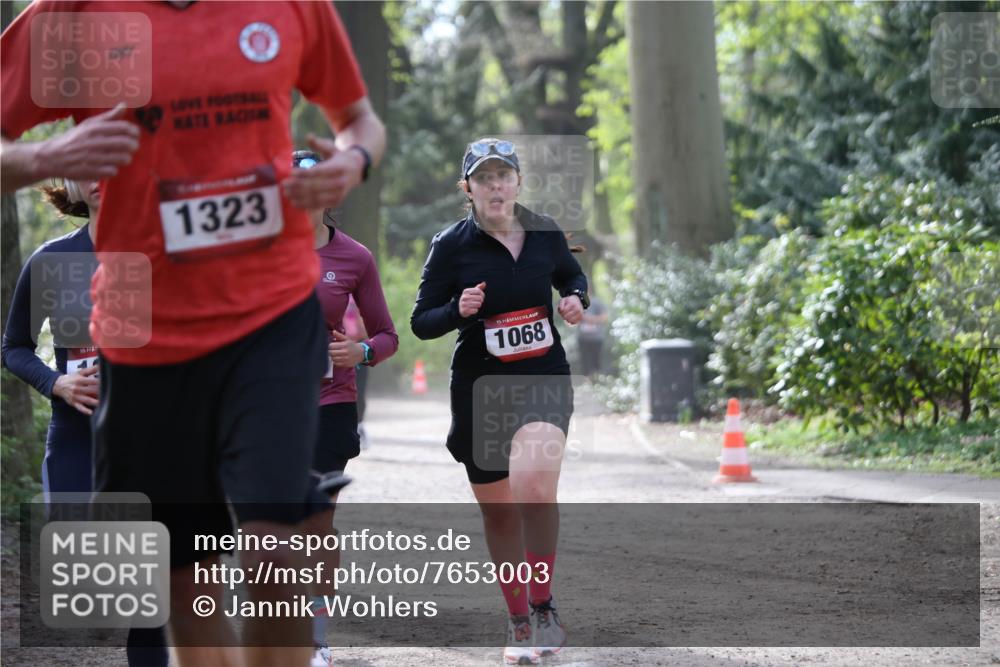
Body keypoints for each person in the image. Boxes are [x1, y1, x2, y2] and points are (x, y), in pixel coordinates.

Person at [1, 3, 385, 666]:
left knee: (274, 548)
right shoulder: (73, 16)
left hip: (273, 313)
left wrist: (353, 161)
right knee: (184, 580)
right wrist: (47, 156)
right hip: (145, 333)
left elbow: (361, 120)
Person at [411, 138, 589, 664]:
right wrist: (459, 311)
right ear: (467, 188)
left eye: (503, 176)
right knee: (501, 515)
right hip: (480, 388)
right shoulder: (451, 245)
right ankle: (516, 622)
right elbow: (422, 322)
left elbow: (571, 274)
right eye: (484, 178)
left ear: (517, 182)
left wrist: (576, 297)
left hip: (543, 377)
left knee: (533, 487)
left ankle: (543, 608)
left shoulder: (544, 231)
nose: (495, 186)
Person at [1, 179, 169, 667]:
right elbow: (14, 347)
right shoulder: (50, 261)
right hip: (76, 434)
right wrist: (57, 384)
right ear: (71, 182)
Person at [291, 150, 398, 667]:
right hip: (266, 407)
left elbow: (387, 335)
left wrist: (360, 352)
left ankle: (315, 633)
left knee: (316, 522)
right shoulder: (257, 254)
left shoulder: (353, 257)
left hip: (330, 404)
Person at [577, 294, 609, 377]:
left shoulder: (597, 302)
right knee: (584, 360)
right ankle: (587, 380)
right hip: (583, 338)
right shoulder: (577, 303)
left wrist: (591, 319)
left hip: (596, 338)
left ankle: (597, 378)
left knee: (596, 360)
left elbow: (605, 317)